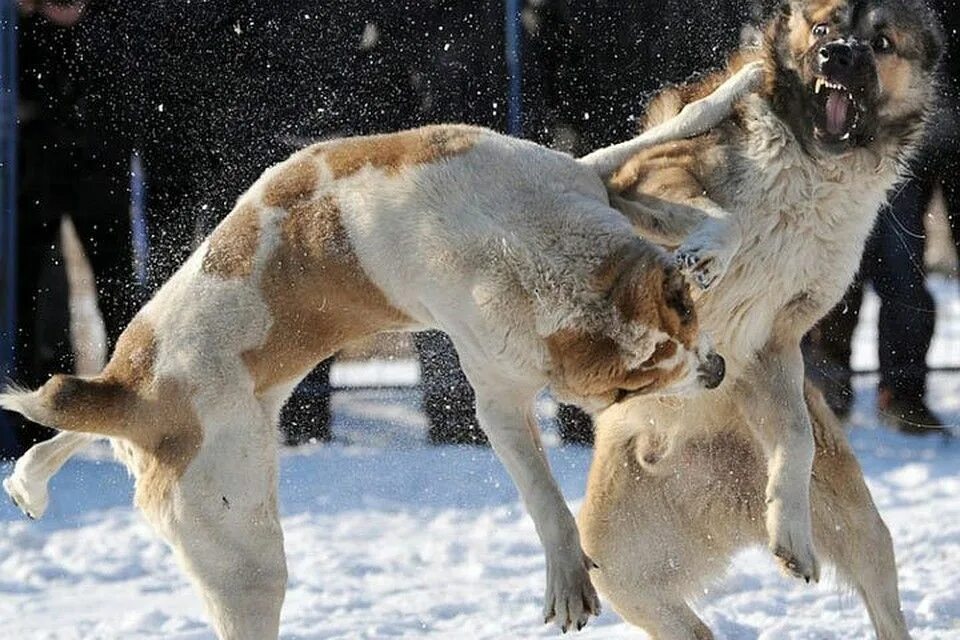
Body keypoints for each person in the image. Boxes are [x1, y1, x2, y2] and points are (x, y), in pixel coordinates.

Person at [3, 0, 138, 455]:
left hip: (95, 147)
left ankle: (133, 404)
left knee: (117, 287)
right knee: (27, 294)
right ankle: (30, 420)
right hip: (31, 149)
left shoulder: (109, 24)